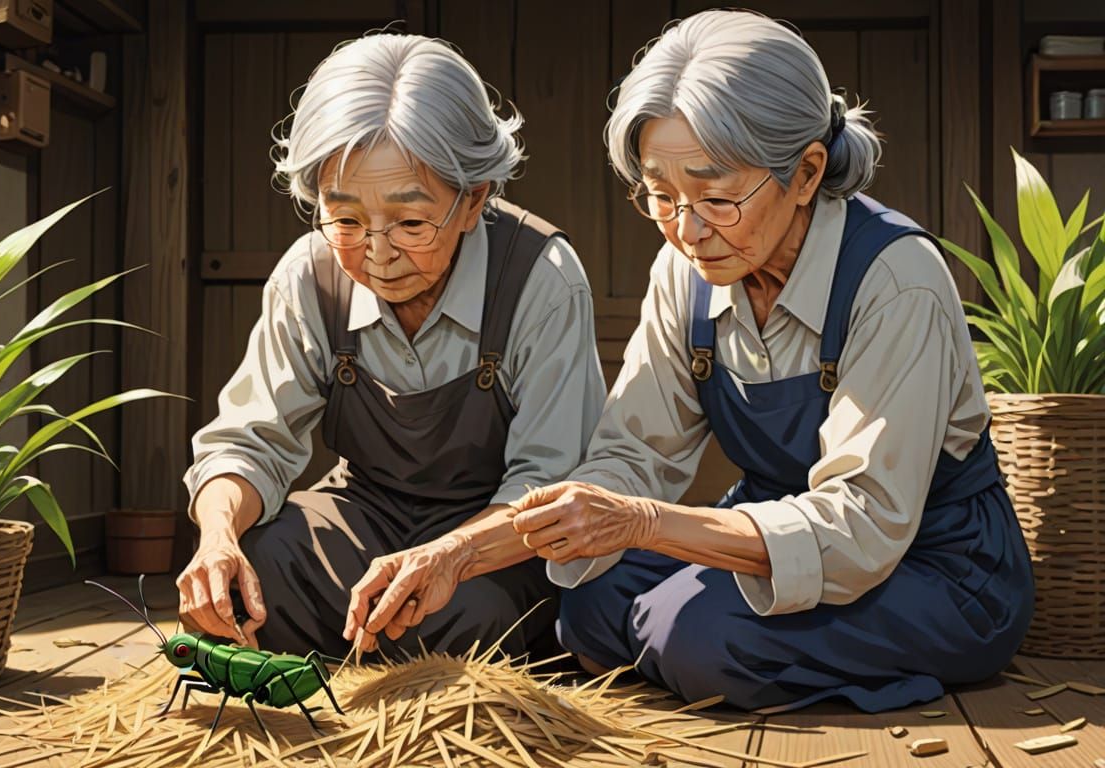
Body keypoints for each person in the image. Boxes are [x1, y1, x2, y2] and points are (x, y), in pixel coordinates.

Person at [509, 9, 1034, 713]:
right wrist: (579, 519)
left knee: (694, 633)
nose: (687, 230)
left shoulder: (896, 276)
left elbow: (865, 522)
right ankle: (688, 647)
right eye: (660, 196)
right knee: (591, 602)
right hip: (774, 525)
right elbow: (634, 456)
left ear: (806, 172)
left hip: (931, 563)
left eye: (716, 197)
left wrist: (644, 523)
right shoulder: (686, 267)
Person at [177, 33, 606, 661]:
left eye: (410, 222)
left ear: (474, 199)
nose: (376, 251)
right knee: (258, 575)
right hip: (359, 513)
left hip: (491, 537)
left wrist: (449, 557)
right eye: (346, 219)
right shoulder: (311, 274)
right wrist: (217, 537)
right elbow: (251, 439)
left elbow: (548, 487)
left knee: (480, 621)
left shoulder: (542, 277)